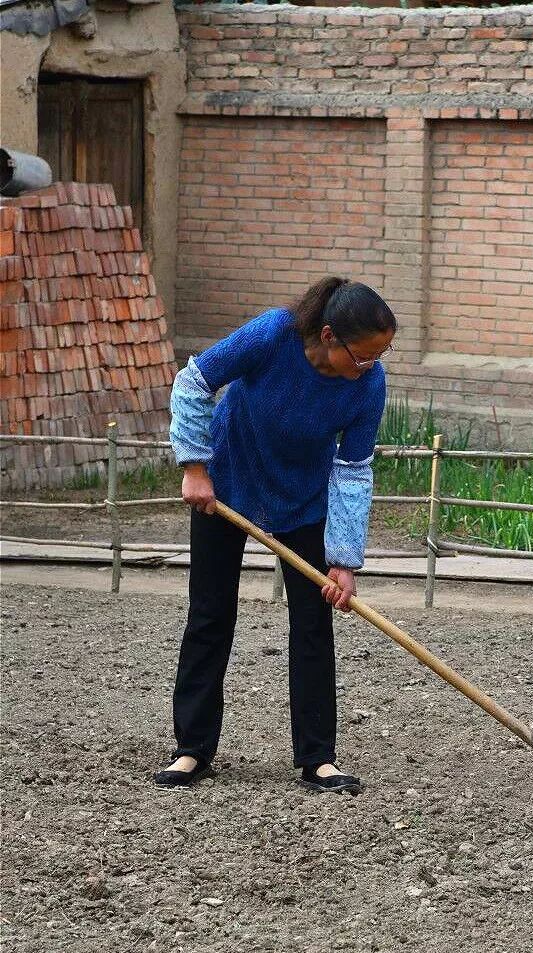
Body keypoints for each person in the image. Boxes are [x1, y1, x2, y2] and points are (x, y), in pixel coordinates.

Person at [153, 277, 397, 794]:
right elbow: (194, 381)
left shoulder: (368, 386)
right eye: (363, 356)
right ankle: (192, 748)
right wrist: (195, 466)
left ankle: (318, 758)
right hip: (227, 483)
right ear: (329, 336)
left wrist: (344, 559)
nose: (370, 366)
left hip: (302, 500)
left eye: (380, 355)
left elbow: (353, 470)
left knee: (313, 622)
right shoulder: (272, 334)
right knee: (210, 613)